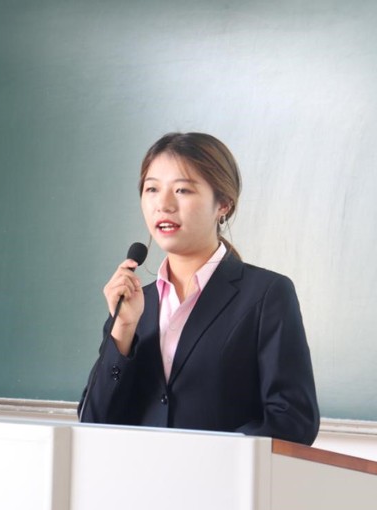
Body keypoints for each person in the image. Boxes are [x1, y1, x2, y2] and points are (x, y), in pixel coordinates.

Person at [79, 132, 319, 445]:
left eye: (182, 190)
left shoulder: (266, 294)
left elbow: (293, 420)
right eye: (152, 189)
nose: (163, 204)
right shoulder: (135, 303)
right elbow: (92, 422)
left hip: (222, 475)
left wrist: (209, 456)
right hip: (140, 474)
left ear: (223, 204)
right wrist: (123, 329)